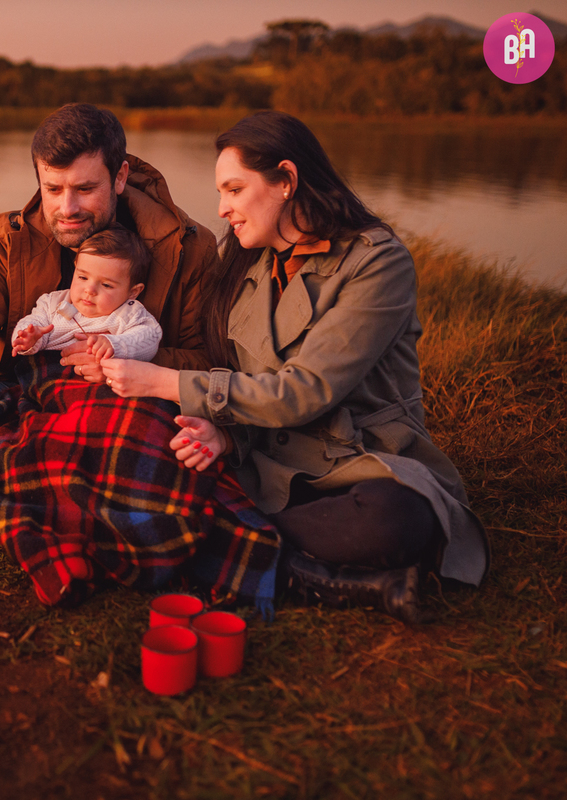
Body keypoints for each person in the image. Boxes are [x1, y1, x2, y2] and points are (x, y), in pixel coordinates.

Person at [98, 110, 489, 621]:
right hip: (267, 463)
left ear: (286, 179)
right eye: (221, 193)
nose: (223, 208)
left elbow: (304, 392)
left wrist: (167, 382)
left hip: (359, 460)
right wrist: (224, 437)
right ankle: (314, 573)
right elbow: (245, 380)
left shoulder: (377, 262)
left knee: (397, 519)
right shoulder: (246, 263)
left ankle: (221, 544)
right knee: (149, 465)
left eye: (235, 190)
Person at [0, 103, 218, 523]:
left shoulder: (189, 247)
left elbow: (206, 360)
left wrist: (123, 362)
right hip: (22, 395)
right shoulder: (9, 238)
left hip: (120, 402)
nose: (67, 207)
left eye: (85, 188)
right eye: (53, 189)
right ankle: (37, 483)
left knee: (165, 430)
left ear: (120, 177)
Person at [11, 226, 161, 363]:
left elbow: (150, 337)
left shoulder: (127, 313)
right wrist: (28, 337)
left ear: (133, 292)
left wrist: (114, 344)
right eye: (83, 277)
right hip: (44, 369)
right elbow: (34, 321)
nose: (90, 290)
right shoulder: (53, 303)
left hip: (97, 377)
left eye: (106, 285)